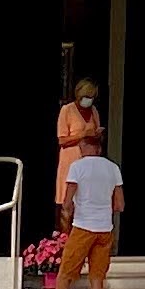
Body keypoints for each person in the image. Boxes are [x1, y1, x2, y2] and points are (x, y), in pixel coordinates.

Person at [41, 146, 123, 289]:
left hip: (83, 227)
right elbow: (119, 204)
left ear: (84, 147)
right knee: (97, 280)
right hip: (104, 229)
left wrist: (67, 217)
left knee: (64, 276)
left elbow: (67, 202)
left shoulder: (77, 167)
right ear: (100, 148)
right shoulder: (113, 168)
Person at [50, 81, 103, 233]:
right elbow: (62, 139)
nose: (89, 100)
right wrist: (82, 134)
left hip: (89, 162)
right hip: (71, 161)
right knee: (67, 203)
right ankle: (65, 240)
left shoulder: (94, 111)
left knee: (86, 203)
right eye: (87, 96)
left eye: (92, 97)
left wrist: (96, 136)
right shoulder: (67, 110)